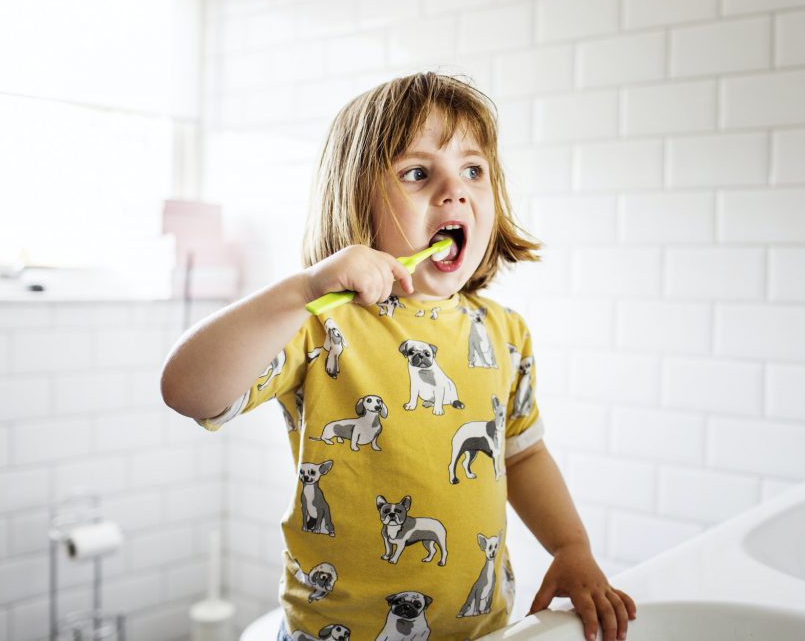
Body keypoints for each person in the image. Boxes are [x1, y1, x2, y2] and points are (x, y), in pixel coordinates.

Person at [160, 71, 636, 641]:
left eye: (473, 170)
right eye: (417, 173)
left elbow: (523, 456)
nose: (454, 190)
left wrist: (571, 546)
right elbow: (187, 390)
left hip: (479, 630)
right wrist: (301, 290)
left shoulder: (505, 333)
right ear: (357, 200)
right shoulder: (319, 322)